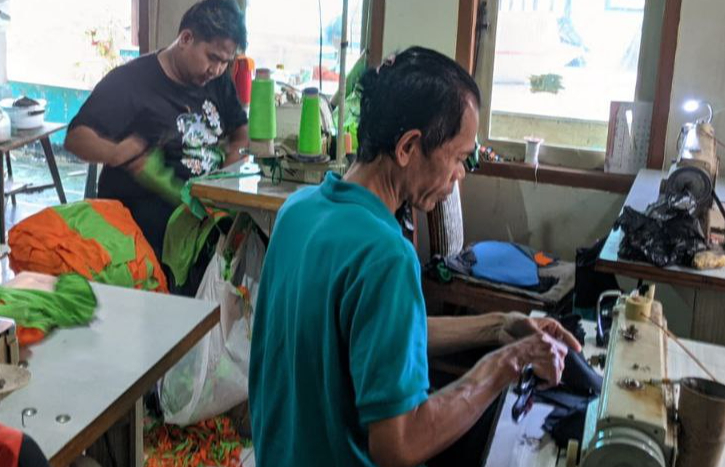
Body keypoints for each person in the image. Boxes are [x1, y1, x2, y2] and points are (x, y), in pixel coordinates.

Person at [248, 47, 581, 467]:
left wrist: (500, 326)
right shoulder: (385, 255)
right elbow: (398, 445)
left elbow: (382, 337)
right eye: (457, 157)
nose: (460, 174)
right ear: (408, 146)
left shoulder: (298, 211)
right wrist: (507, 363)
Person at [65, 0, 250, 292]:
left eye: (225, 62)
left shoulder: (217, 82)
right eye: (212, 57)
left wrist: (223, 181)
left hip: (204, 222)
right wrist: (114, 152)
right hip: (145, 236)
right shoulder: (130, 82)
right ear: (186, 38)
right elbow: (76, 138)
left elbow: (241, 134)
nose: (216, 69)